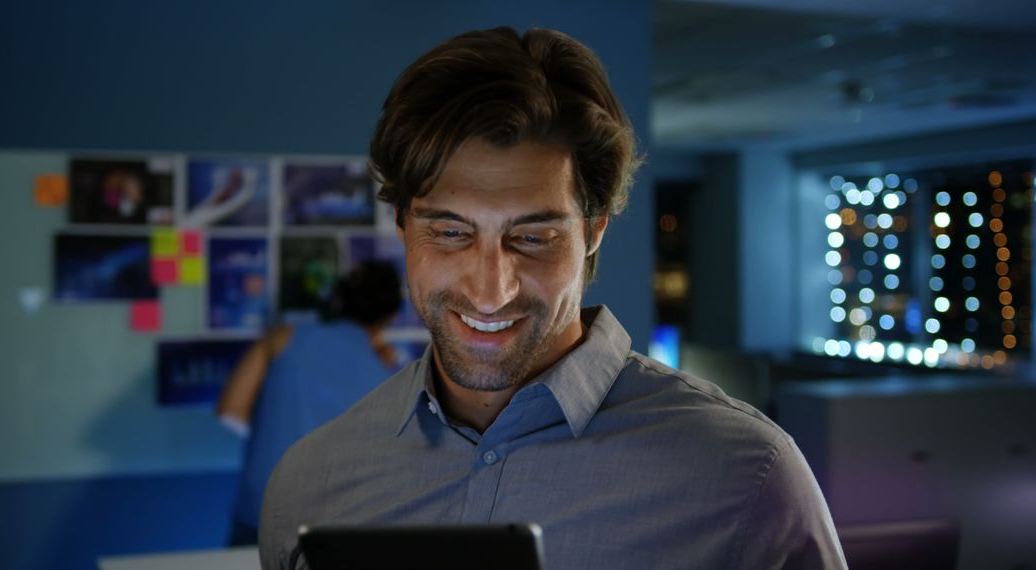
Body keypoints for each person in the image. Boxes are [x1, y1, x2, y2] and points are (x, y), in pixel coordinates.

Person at [260, 26, 847, 569]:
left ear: (594, 231)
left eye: (533, 237)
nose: (490, 290)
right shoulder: (309, 485)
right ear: (403, 227)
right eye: (450, 232)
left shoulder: (744, 477)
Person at [217, 260, 402, 546]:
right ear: (389, 317)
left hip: (263, 516)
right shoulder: (389, 377)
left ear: (339, 300)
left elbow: (230, 411)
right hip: (341, 529)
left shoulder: (283, 339)